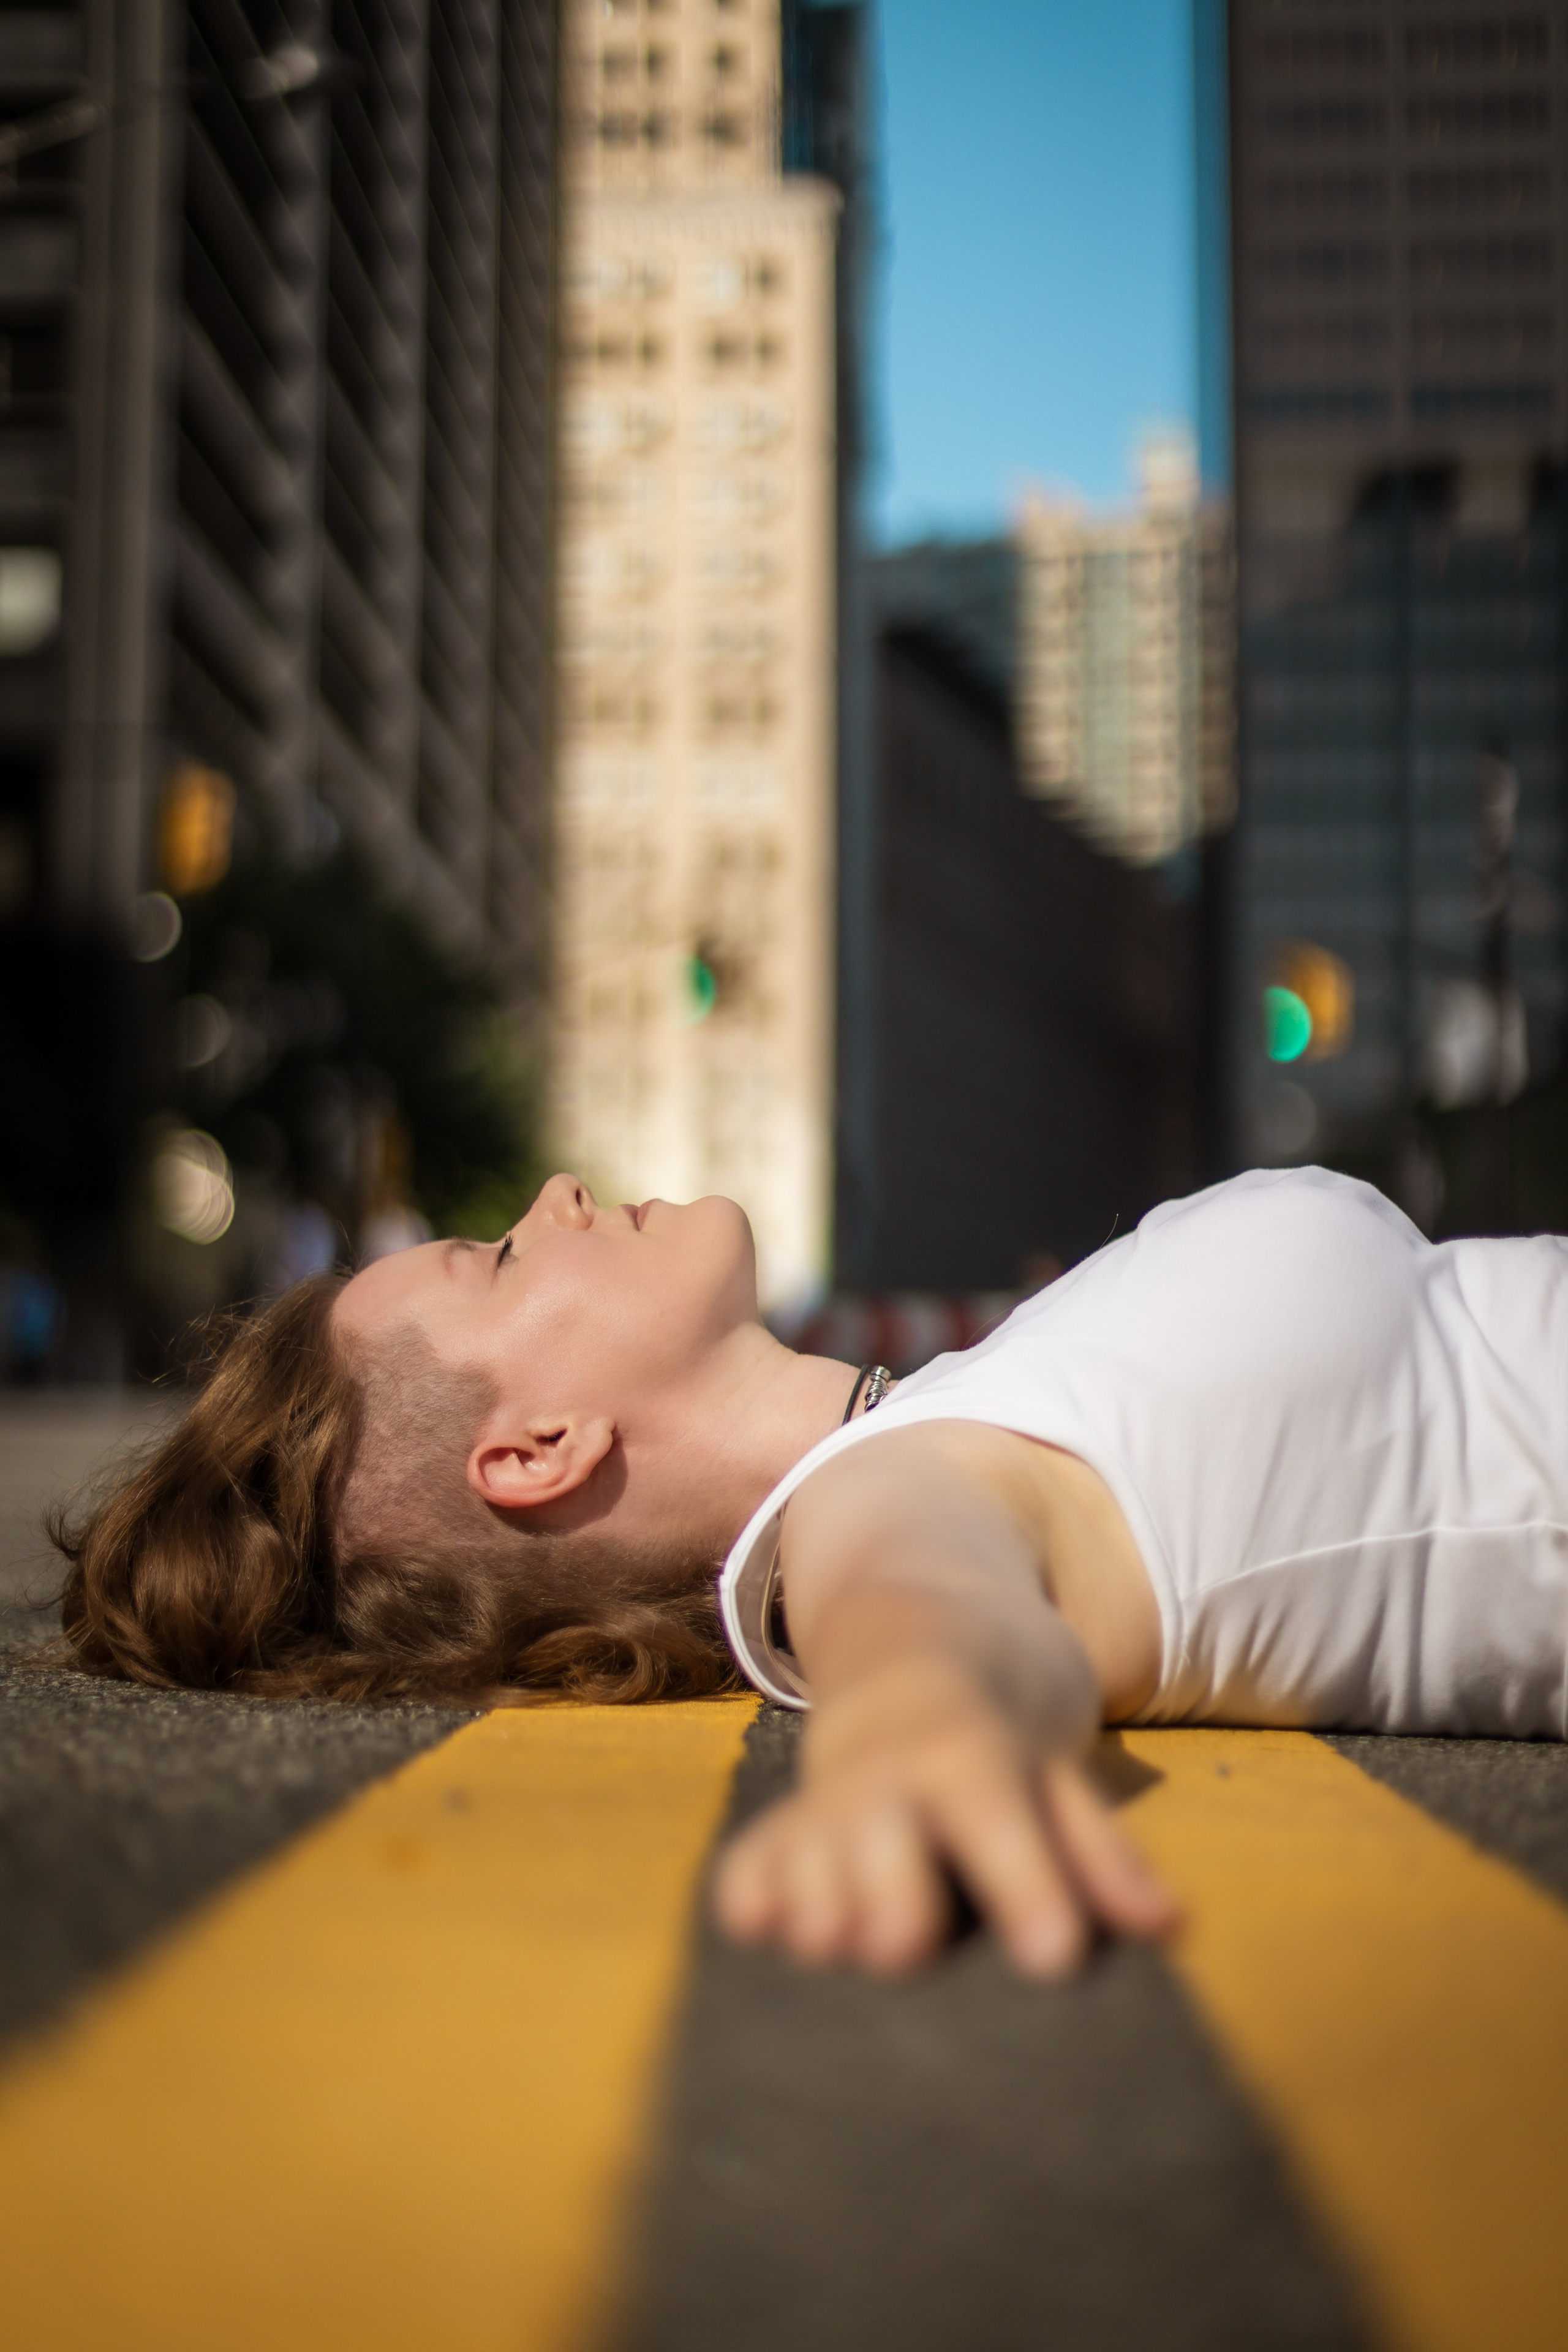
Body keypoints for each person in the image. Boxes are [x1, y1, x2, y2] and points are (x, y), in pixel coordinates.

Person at [54, 1166, 1568, 1982]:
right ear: (536, 1446)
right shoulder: (881, 1499)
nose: (559, 1194)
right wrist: (916, 1728)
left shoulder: (931, 1417)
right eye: (499, 1259)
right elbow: (924, 1610)